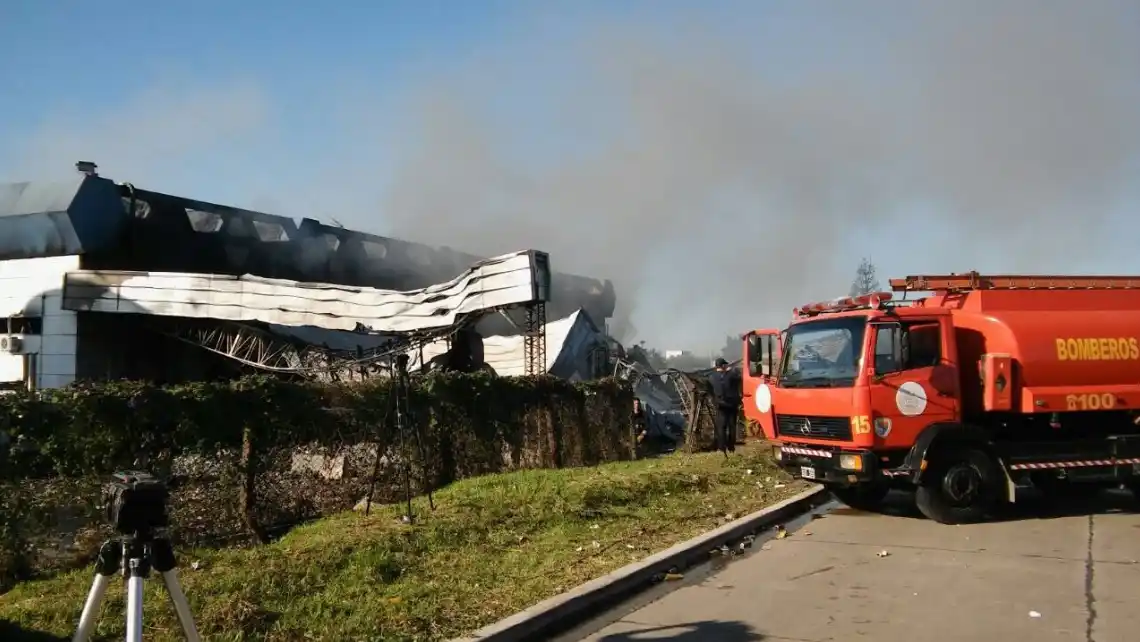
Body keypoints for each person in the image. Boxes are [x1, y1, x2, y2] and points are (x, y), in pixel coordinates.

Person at [708, 358, 742, 454]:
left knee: (721, 427)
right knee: (732, 426)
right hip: (732, 405)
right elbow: (739, 379)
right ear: (723, 366)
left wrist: (715, 399)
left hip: (720, 405)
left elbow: (710, 390)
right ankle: (731, 447)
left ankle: (721, 447)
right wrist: (730, 370)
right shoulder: (731, 376)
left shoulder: (711, 377)